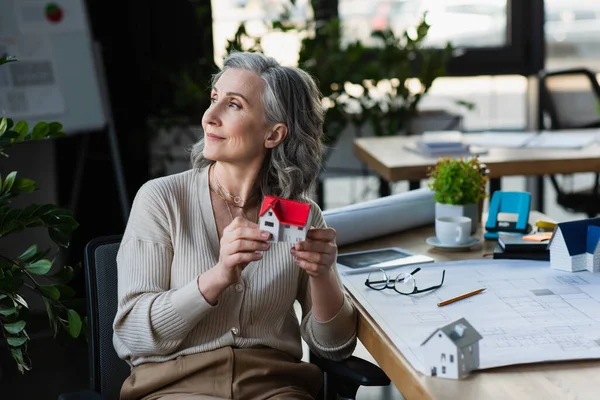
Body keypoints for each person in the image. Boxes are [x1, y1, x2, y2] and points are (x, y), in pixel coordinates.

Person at [113, 51, 358, 400]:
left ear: (273, 134)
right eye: (214, 99)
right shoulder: (163, 199)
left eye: (234, 105)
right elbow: (131, 336)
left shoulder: (297, 214)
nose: (209, 117)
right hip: (176, 386)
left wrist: (323, 275)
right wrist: (217, 277)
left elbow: (335, 349)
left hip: (275, 387)